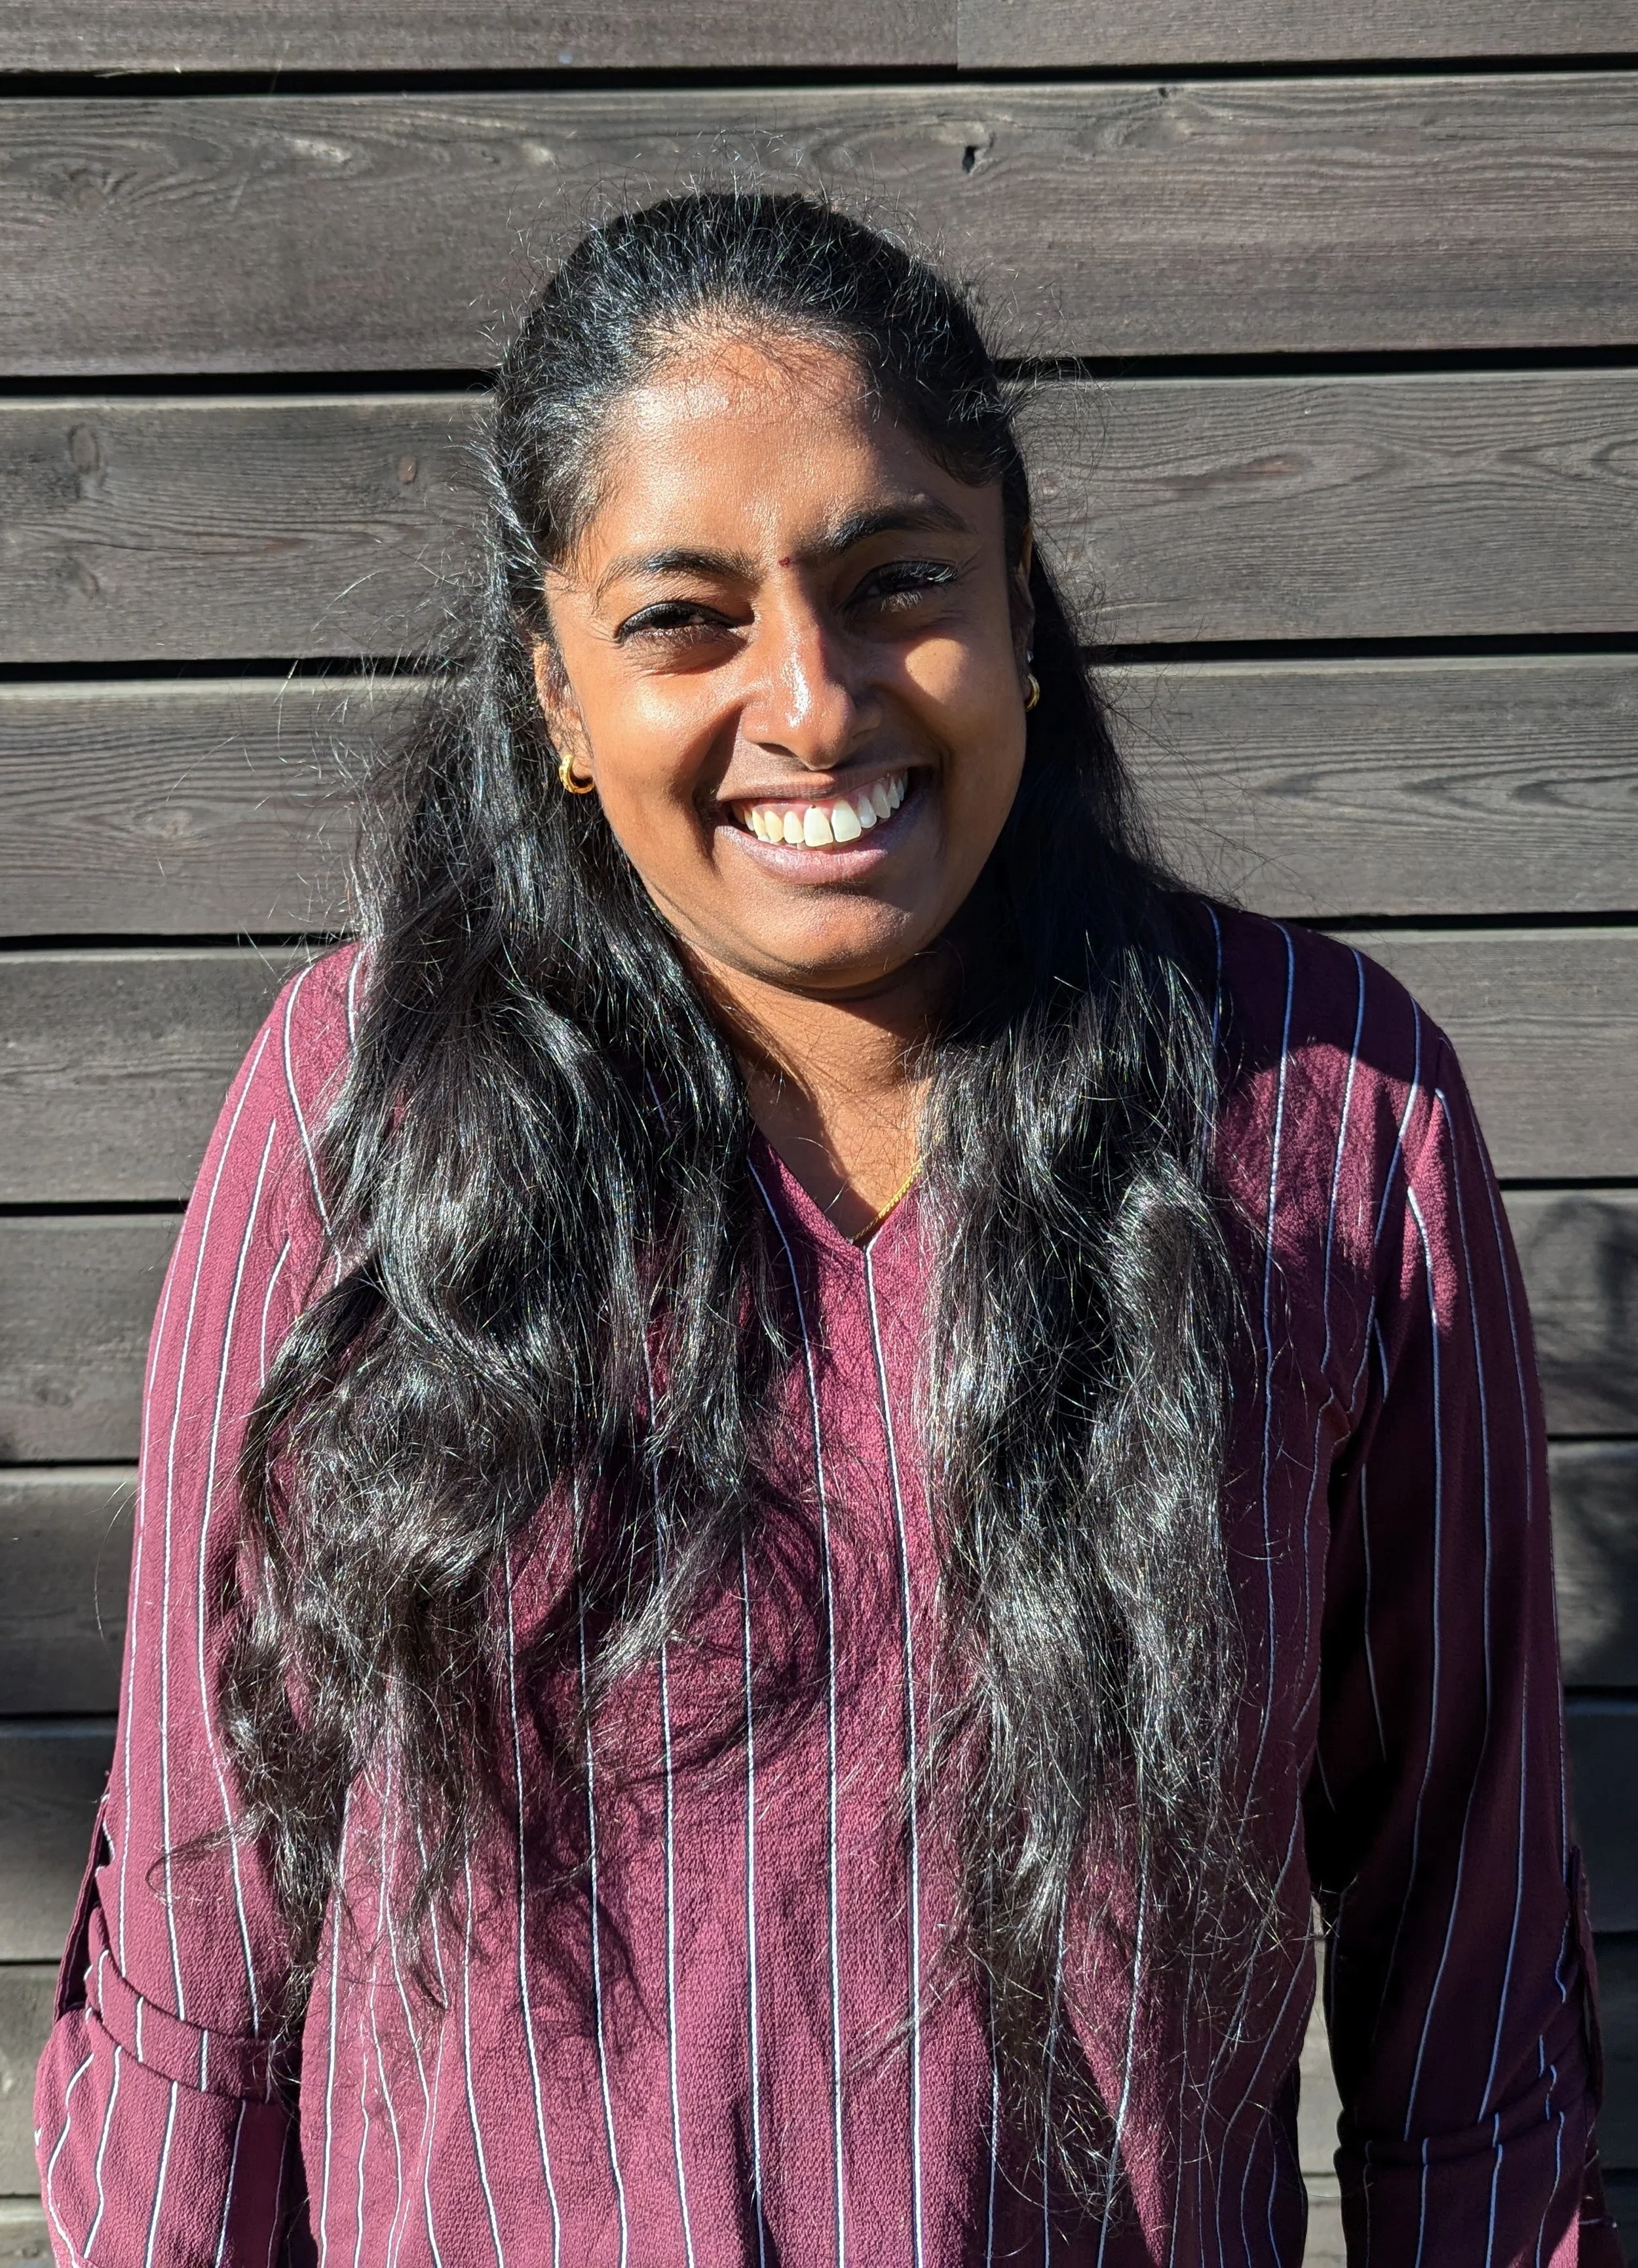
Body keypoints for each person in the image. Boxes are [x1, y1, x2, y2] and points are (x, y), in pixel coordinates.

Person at [34, 191, 1620, 2267]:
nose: (811, 700)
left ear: (1020, 602)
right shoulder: (359, 1104)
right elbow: (200, 1887)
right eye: (685, 618)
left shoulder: (1331, 1115)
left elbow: (1466, 1957)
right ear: (557, 700)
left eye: (894, 584)